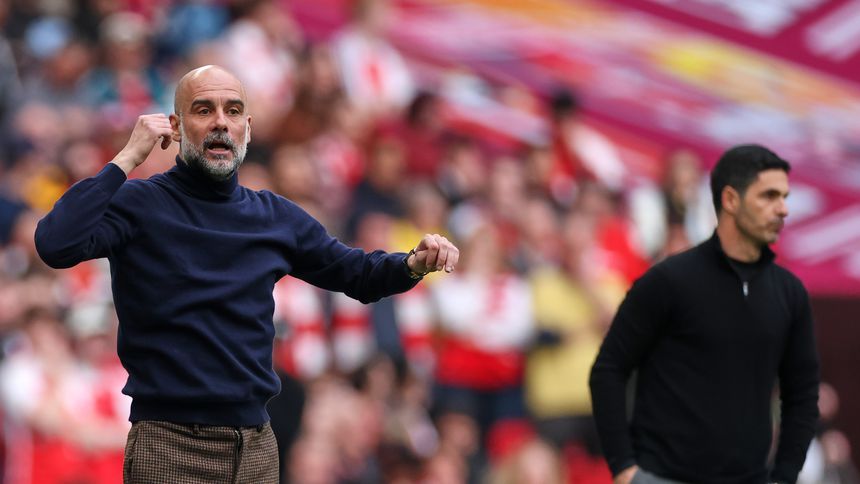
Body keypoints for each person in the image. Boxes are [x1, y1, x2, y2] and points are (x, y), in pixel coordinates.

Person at [34, 65, 459, 484]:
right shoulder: (140, 204)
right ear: (176, 128)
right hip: (170, 444)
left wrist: (410, 264)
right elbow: (56, 243)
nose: (221, 122)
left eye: (233, 110)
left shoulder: (274, 216)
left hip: (256, 447)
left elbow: (357, 275)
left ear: (248, 129)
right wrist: (127, 158)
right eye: (204, 110)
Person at [589, 144, 819, 484]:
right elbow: (608, 370)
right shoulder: (667, 280)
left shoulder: (790, 293)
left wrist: (784, 476)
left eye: (784, 196)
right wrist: (624, 468)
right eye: (768, 196)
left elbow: (802, 395)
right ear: (730, 200)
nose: (783, 209)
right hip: (661, 476)